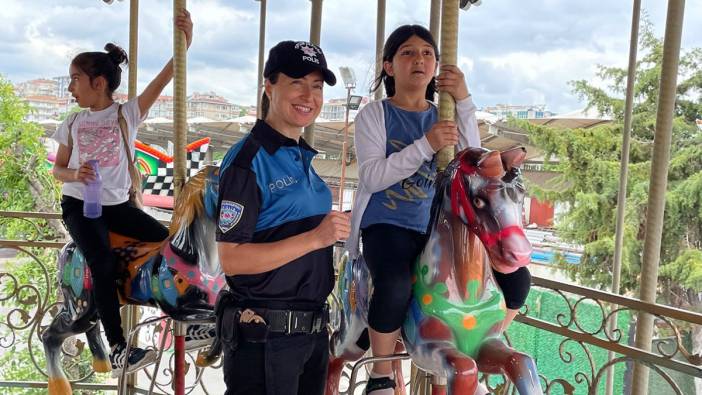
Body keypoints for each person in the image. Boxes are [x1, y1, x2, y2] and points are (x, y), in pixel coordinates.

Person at [347, 25, 530, 395]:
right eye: (408, 53)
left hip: (438, 226)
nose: (420, 59)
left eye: (427, 53)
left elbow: (470, 161)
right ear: (388, 66)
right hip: (390, 222)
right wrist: (425, 144)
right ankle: (381, 373)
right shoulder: (374, 116)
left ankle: (474, 344)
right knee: (395, 282)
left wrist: (463, 100)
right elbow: (374, 176)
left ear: (436, 66)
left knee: (517, 279)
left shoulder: (442, 114)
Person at [51, 9, 194, 376]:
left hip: (116, 205)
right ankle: (117, 347)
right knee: (99, 261)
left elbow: (163, 82)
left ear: (99, 83)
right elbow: (57, 171)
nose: (70, 87)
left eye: (75, 79)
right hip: (80, 206)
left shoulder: (125, 115)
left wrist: (184, 44)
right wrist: (75, 173)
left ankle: (190, 317)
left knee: (172, 245)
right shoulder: (73, 121)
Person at [215, 40, 350, 395]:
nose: (309, 94)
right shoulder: (249, 160)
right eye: (297, 82)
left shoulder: (300, 157)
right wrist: (316, 238)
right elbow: (232, 259)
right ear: (269, 86)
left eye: (317, 86)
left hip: (309, 335)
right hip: (265, 337)